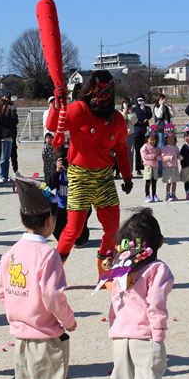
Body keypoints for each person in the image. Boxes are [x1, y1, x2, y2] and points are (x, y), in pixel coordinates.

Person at [45, 70, 133, 277]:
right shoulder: (79, 110)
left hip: (104, 178)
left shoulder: (116, 119)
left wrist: (127, 176)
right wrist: (56, 104)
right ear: (90, 89)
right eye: (99, 90)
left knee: (112, 228)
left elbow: (121, 149)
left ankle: (104, 272)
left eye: (108, 91)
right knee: (73, 229)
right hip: (80, 176)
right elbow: (52, 125)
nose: (103, 96)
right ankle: (53, 273)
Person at [0, 176, 77, 379]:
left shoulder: (10, 254)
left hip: (20, 337)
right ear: (50, 220)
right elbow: (52, 295)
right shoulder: (48, 255)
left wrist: (19, 313)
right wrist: (69, 321)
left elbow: (3, 292)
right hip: (45, 338)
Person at [104, 208, 174, 379]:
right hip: (145, 337)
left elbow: (116, 300)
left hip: (120, 336)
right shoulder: (157, 269)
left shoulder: (119, 269)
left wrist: (114, 326)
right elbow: (156, 302)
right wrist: (158, 334)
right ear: (160, 241)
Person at [46, 141, 90, 248]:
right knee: (60, 235)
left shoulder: (80, 166)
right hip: (61, 208)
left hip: (77, 206)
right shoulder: (56, 166)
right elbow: (49, 186)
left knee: (79, 240)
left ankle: (82, 235)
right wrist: (57, 171)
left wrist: (73, 170)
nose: (66, 161)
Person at [140, 126, 161, 203]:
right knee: (148, 182)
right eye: (151, 139)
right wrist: (153, 156)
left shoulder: (157, 148)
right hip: (148, 166)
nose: (152, 141)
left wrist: (158, 157)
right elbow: (144, 155)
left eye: (154, 140)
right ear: (147, 139)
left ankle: (154, 195)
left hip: (155, 166)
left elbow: (160, 154)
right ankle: (147, 195)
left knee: (154, 182)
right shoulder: (145, 147)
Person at [0, 98, 18, 183]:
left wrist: (13, 111)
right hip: (3, 138)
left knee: (7, 159)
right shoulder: (0, 114)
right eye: (4, 105)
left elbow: (15, 121)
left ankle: (5, 175)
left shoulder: (10, 113)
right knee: (3, 158)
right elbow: (2, 123)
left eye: (6, 105)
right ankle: (1, 175)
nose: (6, 107)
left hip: (10, 137)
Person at [133, 96, 153, 176]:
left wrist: (144, 109)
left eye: (142, 100)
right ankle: (138, 168)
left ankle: (145, 166)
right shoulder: (134, 109)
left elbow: (150, 115)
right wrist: (142, 122)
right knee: (138, 150)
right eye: (139, 100)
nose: (141, 102)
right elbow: (134, 120)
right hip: (137, 132)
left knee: (146, 149)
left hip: (146, 131)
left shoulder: (147, 108)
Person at [161, 124, 180, 202]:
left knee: (174, 182)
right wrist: (169, 158)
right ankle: (167, 195)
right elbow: (162, 158)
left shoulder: (176, 147)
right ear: (166, 139)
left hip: (175, 167)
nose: (171, 140)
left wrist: (179, 157)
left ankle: (174, 194)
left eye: (172, 138)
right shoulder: (164, 148)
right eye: (169, 138)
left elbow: (178, 154)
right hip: (168, 167)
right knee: (169, 182)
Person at [4, 94, 20, 175]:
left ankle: (15, 171)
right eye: (7, 98)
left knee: (14, 154)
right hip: (5, 135)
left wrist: (13, 111)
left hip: (12, 134)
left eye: (9, 98)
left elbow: (16, 121)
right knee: (4, 156)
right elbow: (4, 120)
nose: (8, 99)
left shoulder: (12, 108)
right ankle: (4, 173)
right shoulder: (2, 107)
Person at [120, 98, 137, 173]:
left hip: (130, 135)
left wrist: (130, 113)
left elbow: (134, 122)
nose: (126, 105)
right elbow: (121, 120)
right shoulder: (120, 112)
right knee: (123, 153)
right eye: (125, 103)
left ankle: (130, 171)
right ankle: (123, 171)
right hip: (122, 135)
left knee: (130, 153)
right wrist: (124, 112)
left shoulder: (132, 113)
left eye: (127, 103)